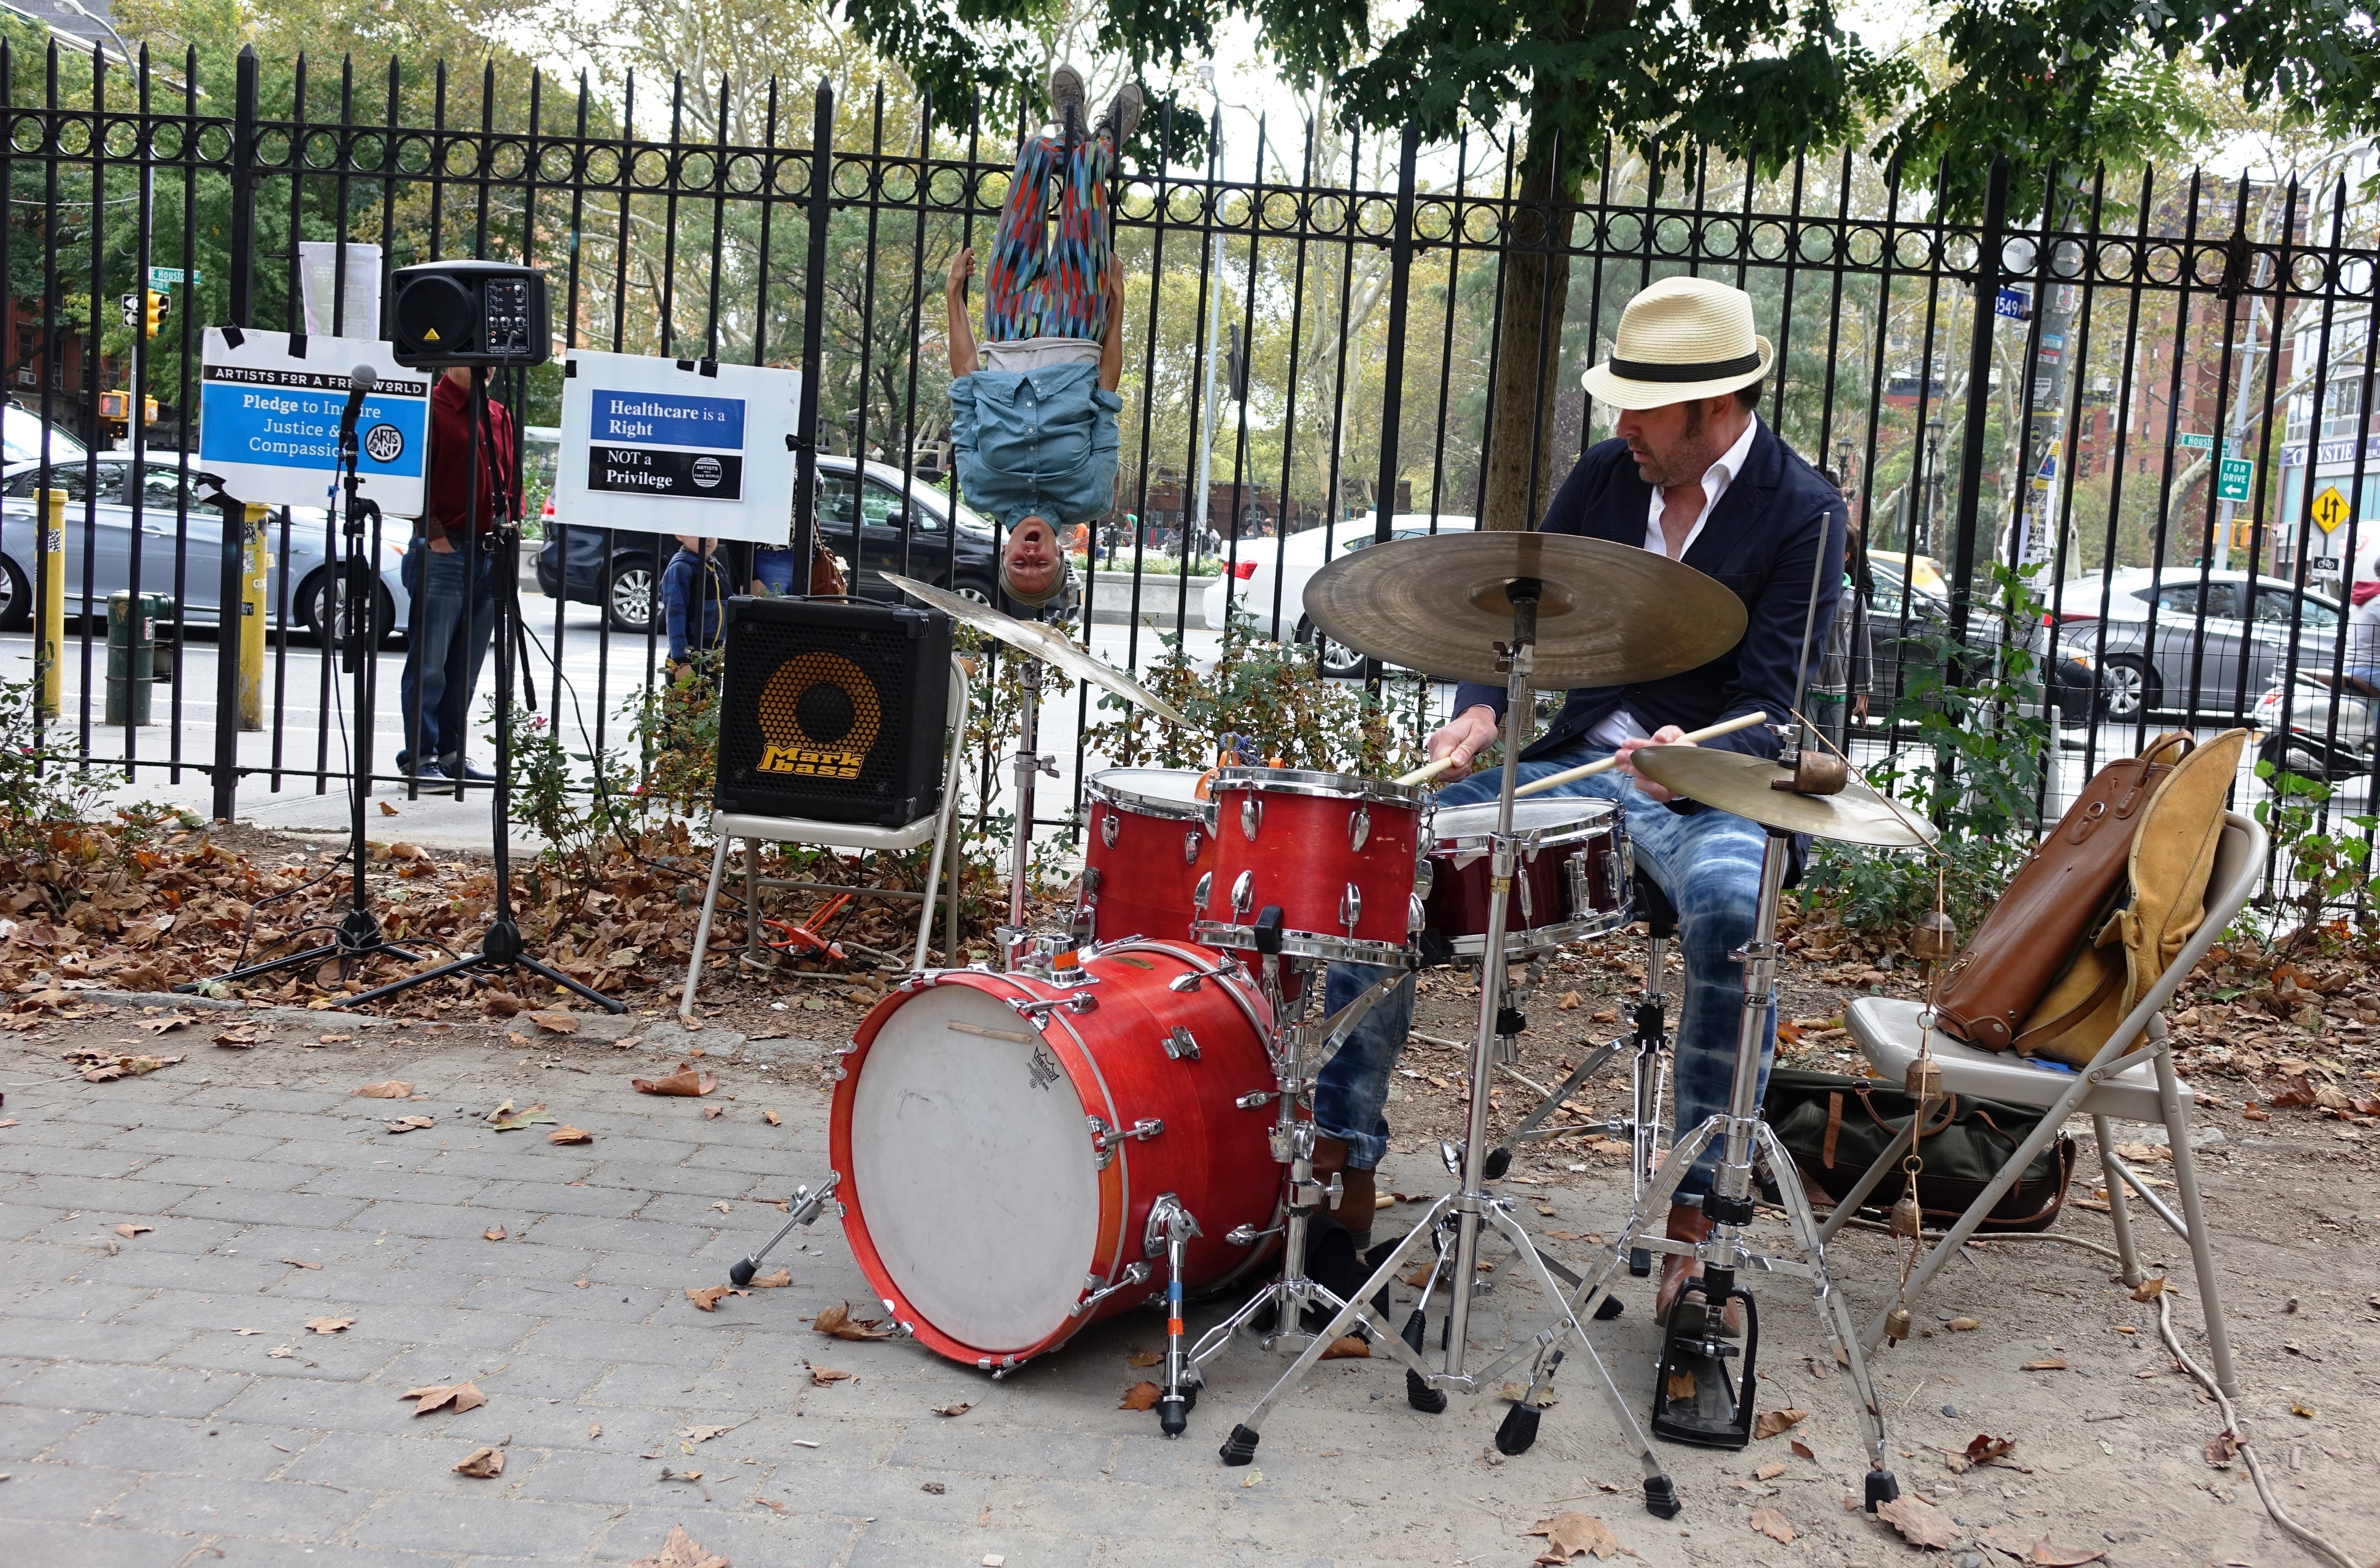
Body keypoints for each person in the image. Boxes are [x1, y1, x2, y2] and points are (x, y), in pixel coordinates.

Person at [1319, 275, 1847, 1332]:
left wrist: (1688, 759)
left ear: (1712, 408)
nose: (1620, 427)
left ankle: (1696, 1236)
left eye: (1641, 408)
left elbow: (1774, 703)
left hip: (1711, 795)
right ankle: (1339, 1187)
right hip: (1572, 771)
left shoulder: (1802, 510)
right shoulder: (1606, 479)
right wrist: (1476, 710)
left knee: (1733, 917)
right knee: (1377, 861)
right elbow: (1510, 615)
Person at [945, 67, 1139, 614]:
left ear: (1005, 553)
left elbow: (965, 387)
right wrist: (1116, 308)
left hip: (1005, 324)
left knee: (1033, 155)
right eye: (1041, 565)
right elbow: (1104, 393)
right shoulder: (1091, 496)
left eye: (1019, 565)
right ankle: (1097, 139)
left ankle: (1078, 129)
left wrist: (953, 298)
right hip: (1078, 325)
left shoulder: (980, 490)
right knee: (1083, 178)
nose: (1030, 557)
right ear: (1060, 554)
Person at [398, 365, 519, 784]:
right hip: (445, 549)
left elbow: (511, 477)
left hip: (490, 551)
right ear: (451, 362)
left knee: (465, 667)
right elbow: (410, 476)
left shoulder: (500, 414)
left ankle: (450, 753)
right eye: (474, 359)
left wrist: (513, 522)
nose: (486, 369)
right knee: (430, 665)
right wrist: (433, 535)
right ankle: (419, 756)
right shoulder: (430, 409)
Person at [661, 534, 732, 672]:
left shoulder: (716, 567)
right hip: (690, 653)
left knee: (710, 692)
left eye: (713, 533)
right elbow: (675, 616)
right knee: (688, 693)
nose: (709, 539)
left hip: (713, 655)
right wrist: (681, 660)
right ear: (680, 535)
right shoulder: (681, 567)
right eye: (700, 534)